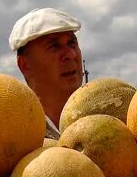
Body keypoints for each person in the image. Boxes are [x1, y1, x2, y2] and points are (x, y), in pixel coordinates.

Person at [9, 8, 84, 140]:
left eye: (72, 43)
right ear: (24, 65)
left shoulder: (115, 116)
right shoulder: (15, 135)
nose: (71, 54)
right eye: (54, 46)